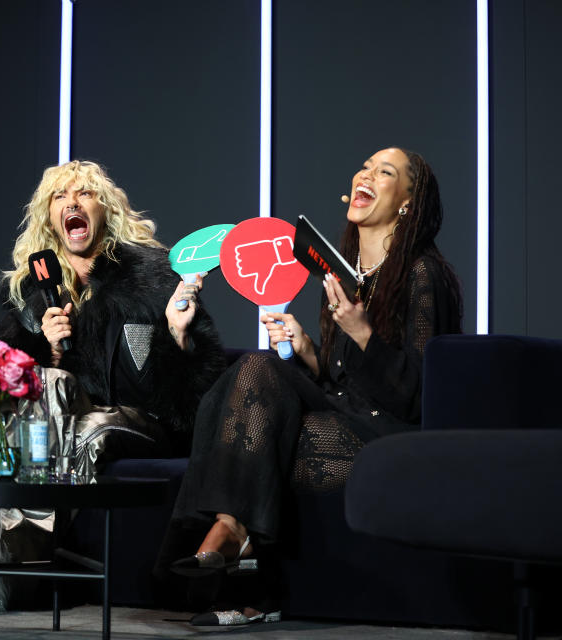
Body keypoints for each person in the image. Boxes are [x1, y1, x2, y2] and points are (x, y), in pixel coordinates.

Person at [157, 147, 463, 626]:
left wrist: (361, 332)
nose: (366, 174)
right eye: (363, 166)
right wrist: (309, 353)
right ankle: (232, 530)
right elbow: (340, 383)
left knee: (262, 443)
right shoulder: (339, 273)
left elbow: (419, 394)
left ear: (408, 201)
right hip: (344, 415)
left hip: (396, 434)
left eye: (385, 172)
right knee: (259, 367)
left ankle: (239, 562)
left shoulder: (424, 273)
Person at [0, 159, 226, 472]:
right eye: (59, 196)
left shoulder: (152, 279)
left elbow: (202, 392)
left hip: (147, 421)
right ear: (49, 218)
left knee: (90, 429)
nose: (72, 202)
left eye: (86, 194)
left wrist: (178, 334)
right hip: (64, 415)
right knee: (25, 421)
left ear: (104, 211)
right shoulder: (30, 296)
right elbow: (6, 387)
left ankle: (15, 521)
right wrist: (47, 350)